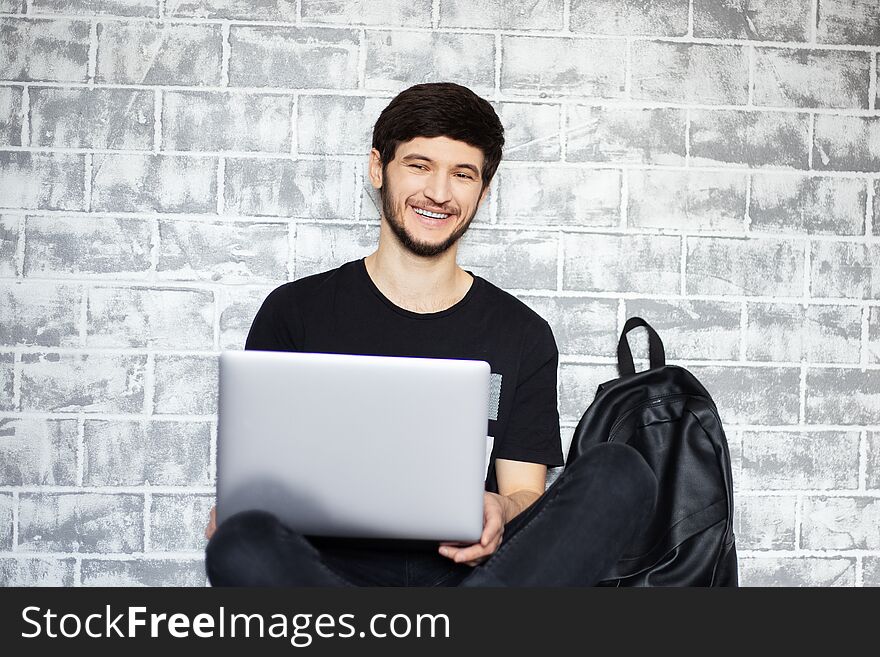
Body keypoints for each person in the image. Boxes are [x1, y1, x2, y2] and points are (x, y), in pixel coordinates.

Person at [204, 82, 657, 586]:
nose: (439, 193)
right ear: (378, 168)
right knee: (240, 539)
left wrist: (500, 509)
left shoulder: (522, 332)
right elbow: (256, 482)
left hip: (470, 580)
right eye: (419, 166)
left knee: (621, 472)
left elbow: (526, 494)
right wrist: (239, 507)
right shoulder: (295, 311)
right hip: (323, 578)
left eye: (462, 175)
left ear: (483, 192)